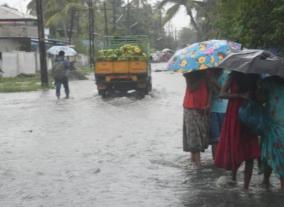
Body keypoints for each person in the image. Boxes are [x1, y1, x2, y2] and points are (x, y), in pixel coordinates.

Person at [214, 71, 260, 190]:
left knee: (250, 151)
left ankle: (246, 186)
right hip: (235, 114)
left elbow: (260, 96)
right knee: (236, 146)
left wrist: (254, 94)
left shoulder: (255, 76)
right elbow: (222, 94)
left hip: (250, 114)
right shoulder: (233, 76)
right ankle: (234, 178)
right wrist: (240, 95)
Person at [259, 76, 284, 190]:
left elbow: (260, 99)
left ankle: (266, 181)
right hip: (273, 123)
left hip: (273, 123)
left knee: (269, 152)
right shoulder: (268, 82)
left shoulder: (268, 82)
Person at [183, 70, 211, 167]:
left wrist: (209, 103)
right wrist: (202, 76)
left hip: (203, 107)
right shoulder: (189, 73)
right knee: (194, 136)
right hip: (191, 107)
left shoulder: (207, 73)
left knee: (201, 134)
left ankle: (194, 161)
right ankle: (197, 163)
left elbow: (210, 89)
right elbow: (191, 87)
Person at [208, 69, 228, 160]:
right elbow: (209, 93)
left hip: (225, 110)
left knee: (224, 139)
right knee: (215, 139)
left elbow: (226, 92)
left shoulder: (227, 75)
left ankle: (223, 160)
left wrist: (214, 82)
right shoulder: (210, 74)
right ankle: (216, 161)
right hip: (213, 110)